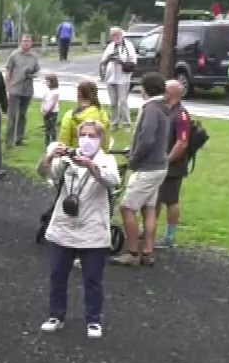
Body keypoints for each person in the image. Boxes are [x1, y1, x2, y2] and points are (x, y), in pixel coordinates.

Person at [37, 120, 120, 338]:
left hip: (92, 229)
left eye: (92, 136)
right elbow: (45, 174)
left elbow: (113, 181)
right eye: (83, 135)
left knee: (92, 278)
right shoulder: (67, 159)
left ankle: (93, 320)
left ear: (100, 139)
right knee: (57, 275)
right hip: (64, 226)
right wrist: (51, 156)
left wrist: (91, 166)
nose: (86, 139)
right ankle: (56, 315)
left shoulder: (107, 160)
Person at [117, 73, 182, 267]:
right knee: (149, 208)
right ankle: (148, 251)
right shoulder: (164, 108)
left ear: (146, 89)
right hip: (159, 165)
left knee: (127, 207)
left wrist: (134, 159)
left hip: (148, 167)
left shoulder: (151, 109)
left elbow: (147, 139)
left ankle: (132, 252)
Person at [155, 84, 194, 249]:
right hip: (160, 162)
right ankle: (149, 228)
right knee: (155, 197)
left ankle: (170, 236)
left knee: (171, 200)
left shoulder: (181, 115)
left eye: (164, 90)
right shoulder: (166, 110)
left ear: (171, 93)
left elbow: (182, 142)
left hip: (173, 166)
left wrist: (168, 160)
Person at [4, 36, 41, 148]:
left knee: (22, 115)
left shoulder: (34, 57)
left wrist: (32, 75)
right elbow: (8, 71)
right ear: (20, 42)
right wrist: (7, 87)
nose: (26, 43)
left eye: (28, 41)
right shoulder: (14, 55)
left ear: (31, 43)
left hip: (27, 90)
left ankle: (19, 139)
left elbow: (37, 71)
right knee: (12, 116)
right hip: (15, 89)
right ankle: (9, 141)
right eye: (24, 41)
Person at [101, 27, 138, 133]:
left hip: (123, 78)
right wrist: (109, 58)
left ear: (121, 35)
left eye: (117, 35)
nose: (115, 37)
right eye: (113, 35)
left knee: (123, 102)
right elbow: (103, 61)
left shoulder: (128, 46)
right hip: (111, 78)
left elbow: (133, 60)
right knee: (113, 103)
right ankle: (114, 124)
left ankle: (126, 124)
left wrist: (121, 61)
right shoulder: (110, 46)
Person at [58, 80, 110, 149]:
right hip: (96, 157)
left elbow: (63, 142)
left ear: (79, 94)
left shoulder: (70, 116)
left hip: (75, 156)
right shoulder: (103, 114)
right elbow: (105, 141)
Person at [38, 73, 63, 147]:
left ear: (52, 82)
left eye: (48, 81)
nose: (46, 83)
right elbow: (44, 100)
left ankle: (54, 142)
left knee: (52, 127)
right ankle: (47, 142)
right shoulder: (47, 91)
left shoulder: (56, 92)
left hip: (52, 112)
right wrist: (42, 108)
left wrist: (47, 111)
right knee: (47, 127)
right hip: (46, 111)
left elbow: (53, 103)